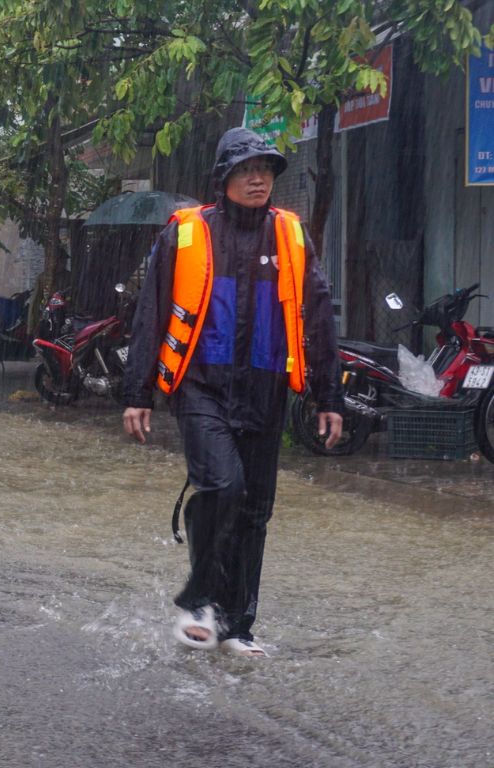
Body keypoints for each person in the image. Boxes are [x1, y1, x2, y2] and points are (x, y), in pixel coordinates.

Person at [120, 127, 343, 658]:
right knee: (223, 486)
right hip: (201, 389)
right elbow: (150, 311)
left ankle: (238, 627)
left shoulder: (291, 237)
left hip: (266, 392)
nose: (258, 178)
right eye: (246, 169)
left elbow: (319, 320)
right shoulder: (187, 234)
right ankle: (202, 601)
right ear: (223, 178)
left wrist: (330, 397)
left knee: (254, 513)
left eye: (265, 169)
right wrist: (138, 392)